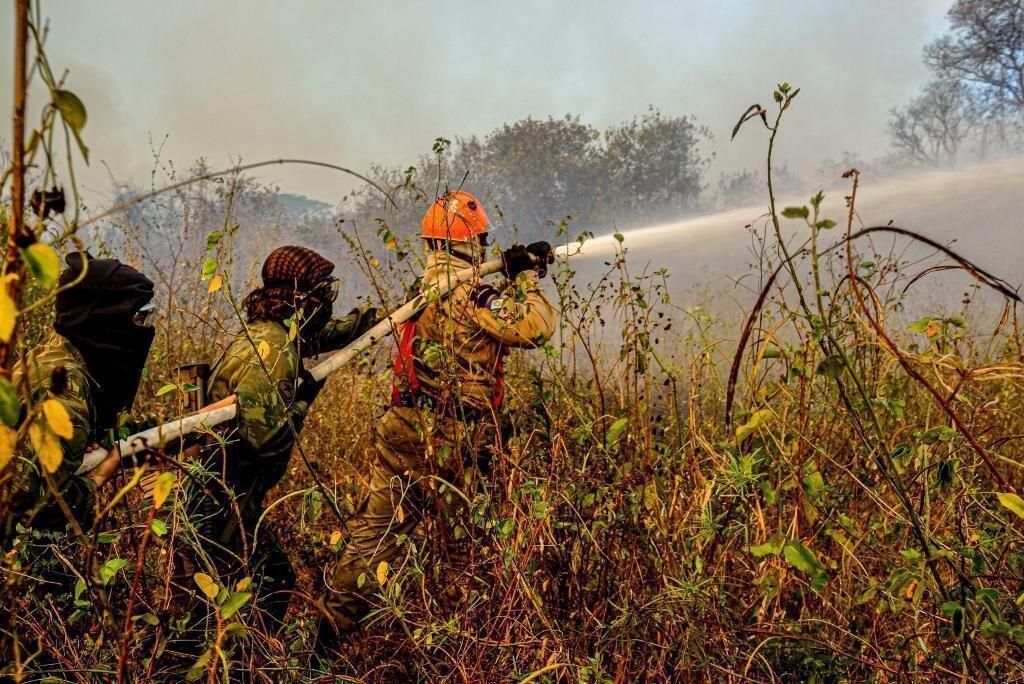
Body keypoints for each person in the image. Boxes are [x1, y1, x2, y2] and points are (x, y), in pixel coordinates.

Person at [319, 190, 556, 641]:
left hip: (404, 426)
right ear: (476, 240)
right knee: (460, 552)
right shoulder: (470, 292)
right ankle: (453, 648)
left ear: (430, 243)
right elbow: (534, 328)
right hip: (452, 437)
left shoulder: (424, 288)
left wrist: (509, 273)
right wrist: (526, 279)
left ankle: (326, 637)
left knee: (373, 537)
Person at [177, 245, 377, 637]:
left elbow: (325, 335)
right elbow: (265, 439)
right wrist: (301, 404)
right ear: (301, 297)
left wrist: (386, 314)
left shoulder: (272, 329)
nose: (326, 302)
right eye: (323, 293)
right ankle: (238, 664)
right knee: (245, 596)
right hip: (221, 499)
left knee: (261, 584)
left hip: (223, 493)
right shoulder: (273, 352)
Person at [1, 252, 156, 544]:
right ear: (104, 317)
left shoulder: (48, 356)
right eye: (138, 318)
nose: (144, 329)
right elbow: (39, 502)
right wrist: (97, 478)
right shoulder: (64, 382)